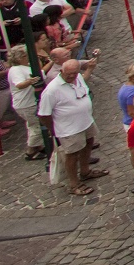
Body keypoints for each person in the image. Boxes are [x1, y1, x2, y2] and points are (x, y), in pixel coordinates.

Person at [39, 58, 102, 196]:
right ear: (61, 71)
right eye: (69, 74)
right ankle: (74, 184)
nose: (72, 76)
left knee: (89, 143)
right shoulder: (51, 90)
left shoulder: (78, 77)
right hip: (68, 128)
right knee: (72, 155)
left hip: (86, 121)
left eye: (75, 73)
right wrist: (53, 129)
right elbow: (43, 115)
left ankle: (85, 171)